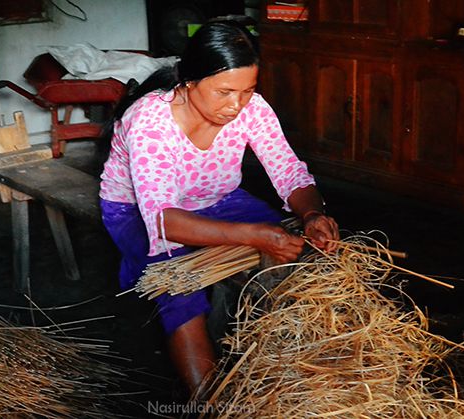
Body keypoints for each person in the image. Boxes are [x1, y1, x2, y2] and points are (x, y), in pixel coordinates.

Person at [99, 20, 339, 395]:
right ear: (189, 81)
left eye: (247, 91)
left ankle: (290, 375)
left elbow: (289, 171)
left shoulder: (251, 108)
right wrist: (254, 235)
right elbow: (162, 220)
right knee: (181, 293)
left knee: (303, 255)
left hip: (218, 200)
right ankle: (213, 403)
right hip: (140, 212)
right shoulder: (150, 121)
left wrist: (311, 214)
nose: (236, 105)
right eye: (225, 92)